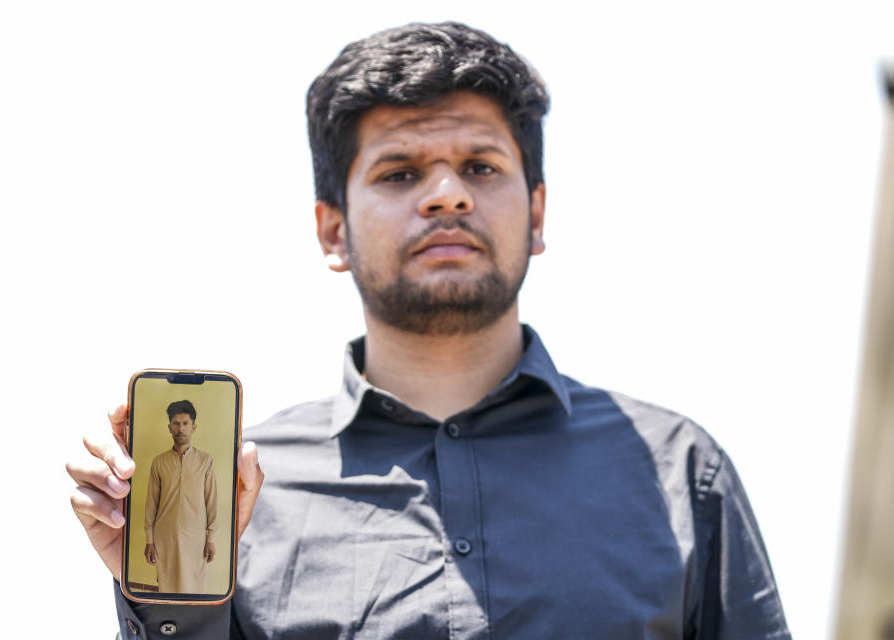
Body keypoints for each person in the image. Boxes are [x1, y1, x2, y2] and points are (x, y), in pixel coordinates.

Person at [67, 22, 792, 639]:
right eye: (399, 173)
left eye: (480, 165)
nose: (447, 195)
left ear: (537, 215)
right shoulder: (244, 496)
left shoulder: (681, 473)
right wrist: (170, 607)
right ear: (333, 231)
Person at [142, 400, 217, 594]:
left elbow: (211, 502)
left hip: (196, 539)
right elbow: (152, 503)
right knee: (166, 589)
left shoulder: (205, 461)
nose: (180, 428)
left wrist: (211, 538)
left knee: (195, 592)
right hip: (165, 538)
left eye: (185, 423)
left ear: (194, 427)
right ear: (169, 427)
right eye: (176, 423)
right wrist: (149, 540)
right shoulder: (159, 462)